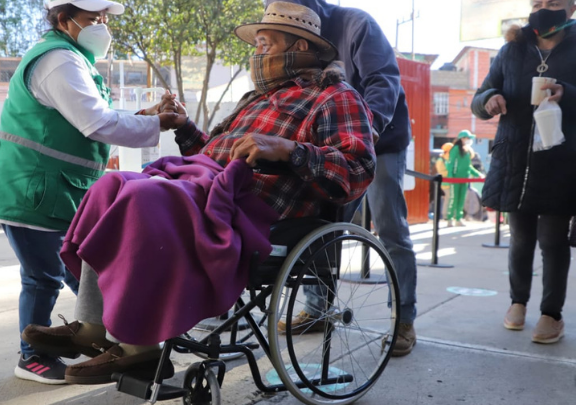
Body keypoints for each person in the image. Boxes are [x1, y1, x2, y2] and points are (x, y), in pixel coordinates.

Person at [23, 1, 377, 384]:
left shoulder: (335, 97)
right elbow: (214, 155)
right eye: (255, 44)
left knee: (144, 200)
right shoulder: (254, 99)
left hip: (256, 212)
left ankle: (138, 349)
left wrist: (290, 149)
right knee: (112, 186)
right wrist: (184, 128)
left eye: (265, 43)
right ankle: (92, 325)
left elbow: (358, 170)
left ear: (301, 48)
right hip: (207, 189)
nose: (256, 52)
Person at [0, 0, 180, 384]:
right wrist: (157, 122)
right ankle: (33, 357)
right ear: (62, 20)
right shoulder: (59, 61)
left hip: (56, 189)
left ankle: (105, 343)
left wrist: (149, 116)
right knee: (44, 277)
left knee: (83, 268)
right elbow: (96, 123)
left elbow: (89, 120)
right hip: (31, 188)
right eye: (92, 18)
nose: (102, 24)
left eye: (104, 17)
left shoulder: (73, 58)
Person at [267, 0, 419, 357]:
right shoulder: (289, 28)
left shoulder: (356, 24)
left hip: (379, 139)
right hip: (328, 144)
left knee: (389, 225)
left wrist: (369, 130)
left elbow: (384, 80)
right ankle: (318, 309)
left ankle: (404, 318)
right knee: (322, 223)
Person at [471, 0, 576, 344]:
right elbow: (480, 96)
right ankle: (518, 302)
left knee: (553, 241)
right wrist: (489, 98)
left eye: (554, 2)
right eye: (538, 2)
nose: (544, 7)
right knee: (520, 240)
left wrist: (568, 94)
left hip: (561, 160)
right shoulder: (511, 49)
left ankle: (551, 313)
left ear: (571, 8)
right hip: (515, 158)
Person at [446, 130, 484, 227]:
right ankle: (450, 218)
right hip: (455, 179)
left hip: (464, 179)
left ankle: (458, 218)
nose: (469, 140)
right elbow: (450, 164)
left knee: (461, 199)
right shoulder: (455, 149)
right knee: (453, 199)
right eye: (468, 138)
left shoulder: (467, 151)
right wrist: (450, 176)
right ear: (462, 138)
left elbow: (469, 167)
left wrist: (478, 174)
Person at [435, 142, 453, 221]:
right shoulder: (441, 160)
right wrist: (451, 173)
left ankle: (447, 214)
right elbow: (442, 172)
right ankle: (445, 215)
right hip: (445, 183)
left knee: (449, 199)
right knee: (448, 198)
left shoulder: (448, 159)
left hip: (450, 182)